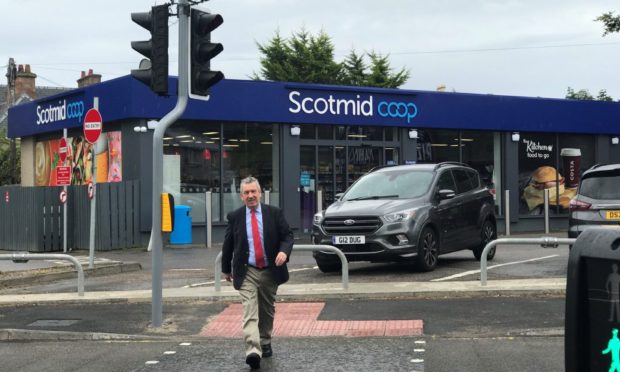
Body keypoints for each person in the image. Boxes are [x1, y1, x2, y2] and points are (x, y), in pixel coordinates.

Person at [221, 176, 294, 370]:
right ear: (241, 196)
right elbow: (228, 243)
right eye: (246, 193)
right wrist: (226, 269)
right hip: (247, 271)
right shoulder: (235, 216)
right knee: (249, 310)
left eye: (254, 192)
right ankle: (253, 350)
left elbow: (287, 235)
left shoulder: (274, 213)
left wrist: (283, 252)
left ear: (260, 193)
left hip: (270, 270)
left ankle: (265, 340)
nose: (251, 196)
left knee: (266, 309)